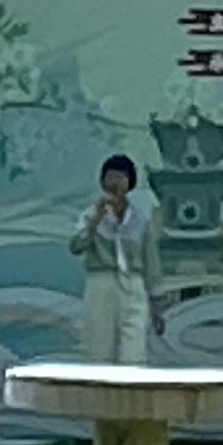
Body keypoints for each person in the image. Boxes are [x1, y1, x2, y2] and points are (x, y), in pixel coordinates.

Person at [74, 153, 159, 357]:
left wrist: (157, 299)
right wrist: (96, 220)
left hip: (133, 283)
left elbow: (151, 260)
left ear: (130, 183)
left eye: (121, 177)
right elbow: (76, 246)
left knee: (134, 349)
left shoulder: (140, 219)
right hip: (102, 281)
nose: (115, 182)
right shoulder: (88, 214)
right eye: (110, 177)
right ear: (102, 181)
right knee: (99, 345)